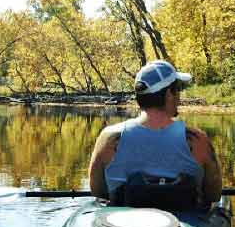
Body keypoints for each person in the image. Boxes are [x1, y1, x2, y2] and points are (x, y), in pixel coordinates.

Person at [88, 59, 223, 209]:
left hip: (123, 225)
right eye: (178, 89)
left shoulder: (109, 138)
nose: (179, 97)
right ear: (169, 94)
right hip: (185, 226)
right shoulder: (198, 140)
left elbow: (98, 191)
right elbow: (213, 195)